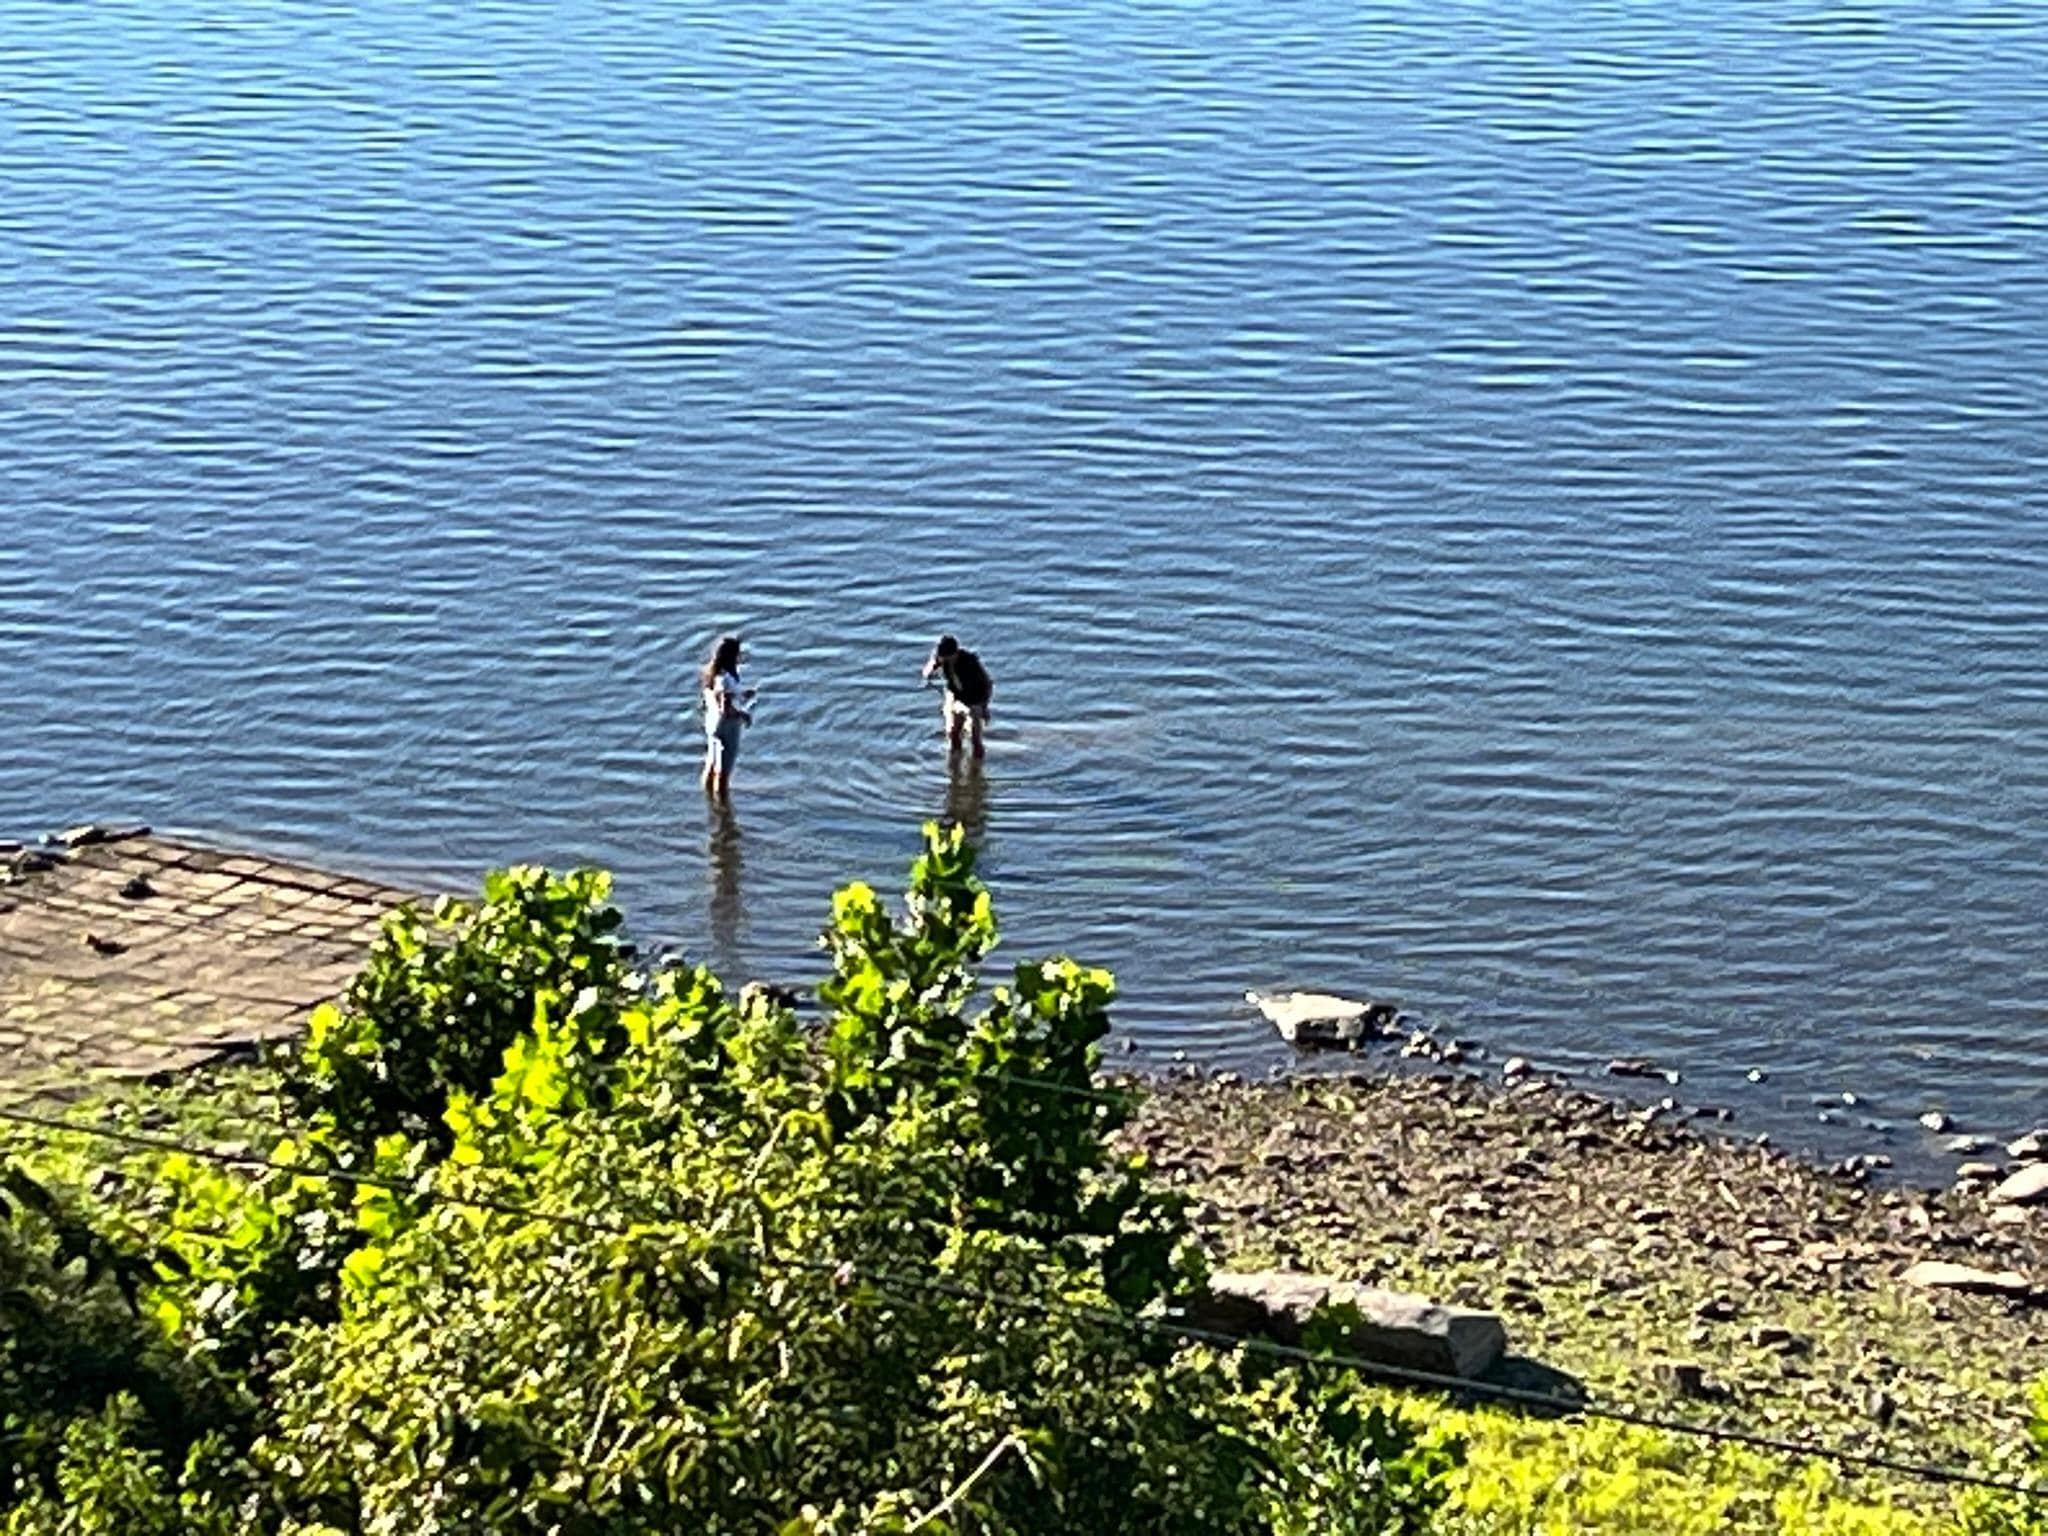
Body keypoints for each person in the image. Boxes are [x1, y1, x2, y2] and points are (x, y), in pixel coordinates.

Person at [699, 634, 755, 796]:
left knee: (711, 763)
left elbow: (722, 697)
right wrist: (743, 715)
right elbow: (725, 707)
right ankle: (722, 808)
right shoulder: (727, 679)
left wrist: (742, 694)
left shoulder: (713, 675)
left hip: (712, 724)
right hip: (727, 726)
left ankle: (708, 797)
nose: (740, 657)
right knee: (724, 770)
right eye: (738, 654)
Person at [921, 634, 992, 760]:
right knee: (954, 732)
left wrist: (983, 708)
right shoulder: (942, 658)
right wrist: (929, 673)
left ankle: (976, 768)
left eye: (947, 657)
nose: (944, 660)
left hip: (976, 698)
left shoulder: (970, 663)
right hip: (957, 696)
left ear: (955, 653)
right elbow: (930, 669)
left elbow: (986, 685)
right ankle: (955, 763)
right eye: (942, 657)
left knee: (975, 739)